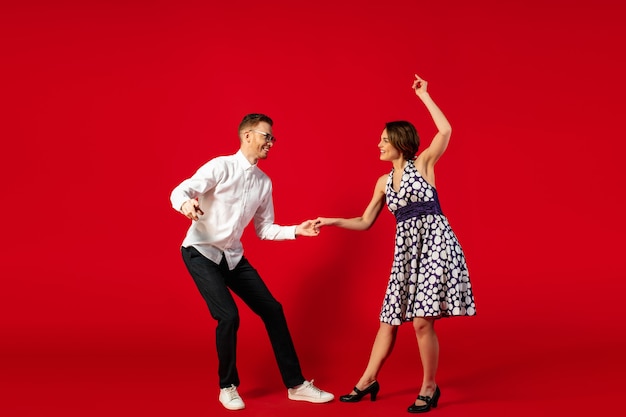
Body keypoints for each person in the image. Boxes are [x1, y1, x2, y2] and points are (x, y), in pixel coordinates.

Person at [313, 75, 476, 413]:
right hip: (406, 255)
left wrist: (425, 96)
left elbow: (445, 132)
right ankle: (368, 379)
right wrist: (332, 221)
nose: (379, 145)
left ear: (401, 143)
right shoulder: (383, 183)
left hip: (436, 246)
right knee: (388, 319)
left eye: (384, 140)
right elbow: (364, 221)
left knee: (421, 321)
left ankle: (429, 387)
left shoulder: (424, 164)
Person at [170, 113, 334, 411]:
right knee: (229, 316)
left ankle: (296, 385)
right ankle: (227, 386)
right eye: (266, 136)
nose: (270, 143)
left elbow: (264, 229)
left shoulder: (264, 183)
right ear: (247, 136)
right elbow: (180, 190)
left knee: (272, 309)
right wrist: (186, 204)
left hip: (231, 256)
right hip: (200, 252)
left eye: (272, 138)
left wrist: (297, 230)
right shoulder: (221, 166)